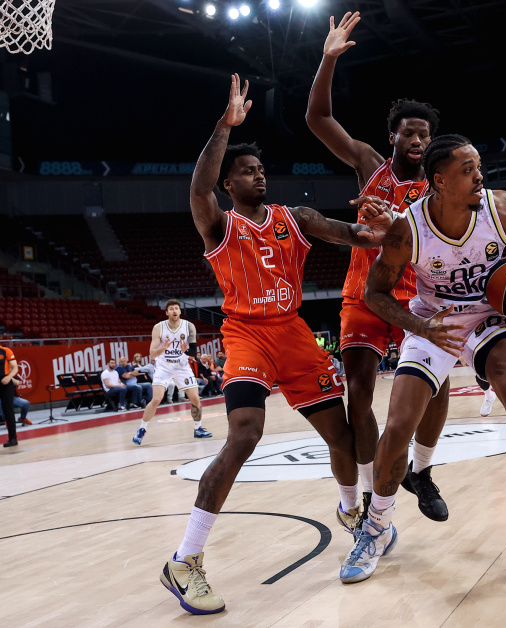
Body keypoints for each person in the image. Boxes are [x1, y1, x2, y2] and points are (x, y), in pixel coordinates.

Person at [159, 74, 393, 615]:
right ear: (229, 184)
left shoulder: (296, 219)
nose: (258, 174)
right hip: (246, 335)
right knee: (245, 434)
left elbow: (354, 235)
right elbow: (197, 190)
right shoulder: (219, 224)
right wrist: (225, 126)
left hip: (293, 333)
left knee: (343, 435)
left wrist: (387, 228)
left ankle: (351, 510)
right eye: (247, 170)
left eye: (260, 169)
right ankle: (185, 559)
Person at [340, 134, 506, 586]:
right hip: (434, 321)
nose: (479, 176)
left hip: (489, 316)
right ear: (439, 181)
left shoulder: (501, 208)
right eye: (467, 170)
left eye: (478, 166)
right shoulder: (409, 229)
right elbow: (374, 293)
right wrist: (420, 327)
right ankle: (377, 525)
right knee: (398, 425)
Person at [306, 11, 454, 522]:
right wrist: (328, 60)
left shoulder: (440, 187)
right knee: (359, 396)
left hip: (417, 296)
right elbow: (318, 121)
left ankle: (422, 471)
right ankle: (371, 493)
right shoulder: (370, 164)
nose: (418, 141)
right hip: (364, 293)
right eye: (409, 133)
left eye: (425, 135)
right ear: (393, 137)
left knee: (438, 384)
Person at [132, 300, 212, 446]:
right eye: (171, 309)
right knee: (156, 399)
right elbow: (152, 354)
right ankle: (141, 429)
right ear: (167, 312)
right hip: (164, 366)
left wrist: (185, 351)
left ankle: (198, 428)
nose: (174, 311)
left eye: (176, 308)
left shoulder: (189, 326)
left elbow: (193, 352)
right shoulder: (159, 327)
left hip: (182, 366)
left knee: (195, 399)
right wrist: (163, 348)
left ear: (180, 311)